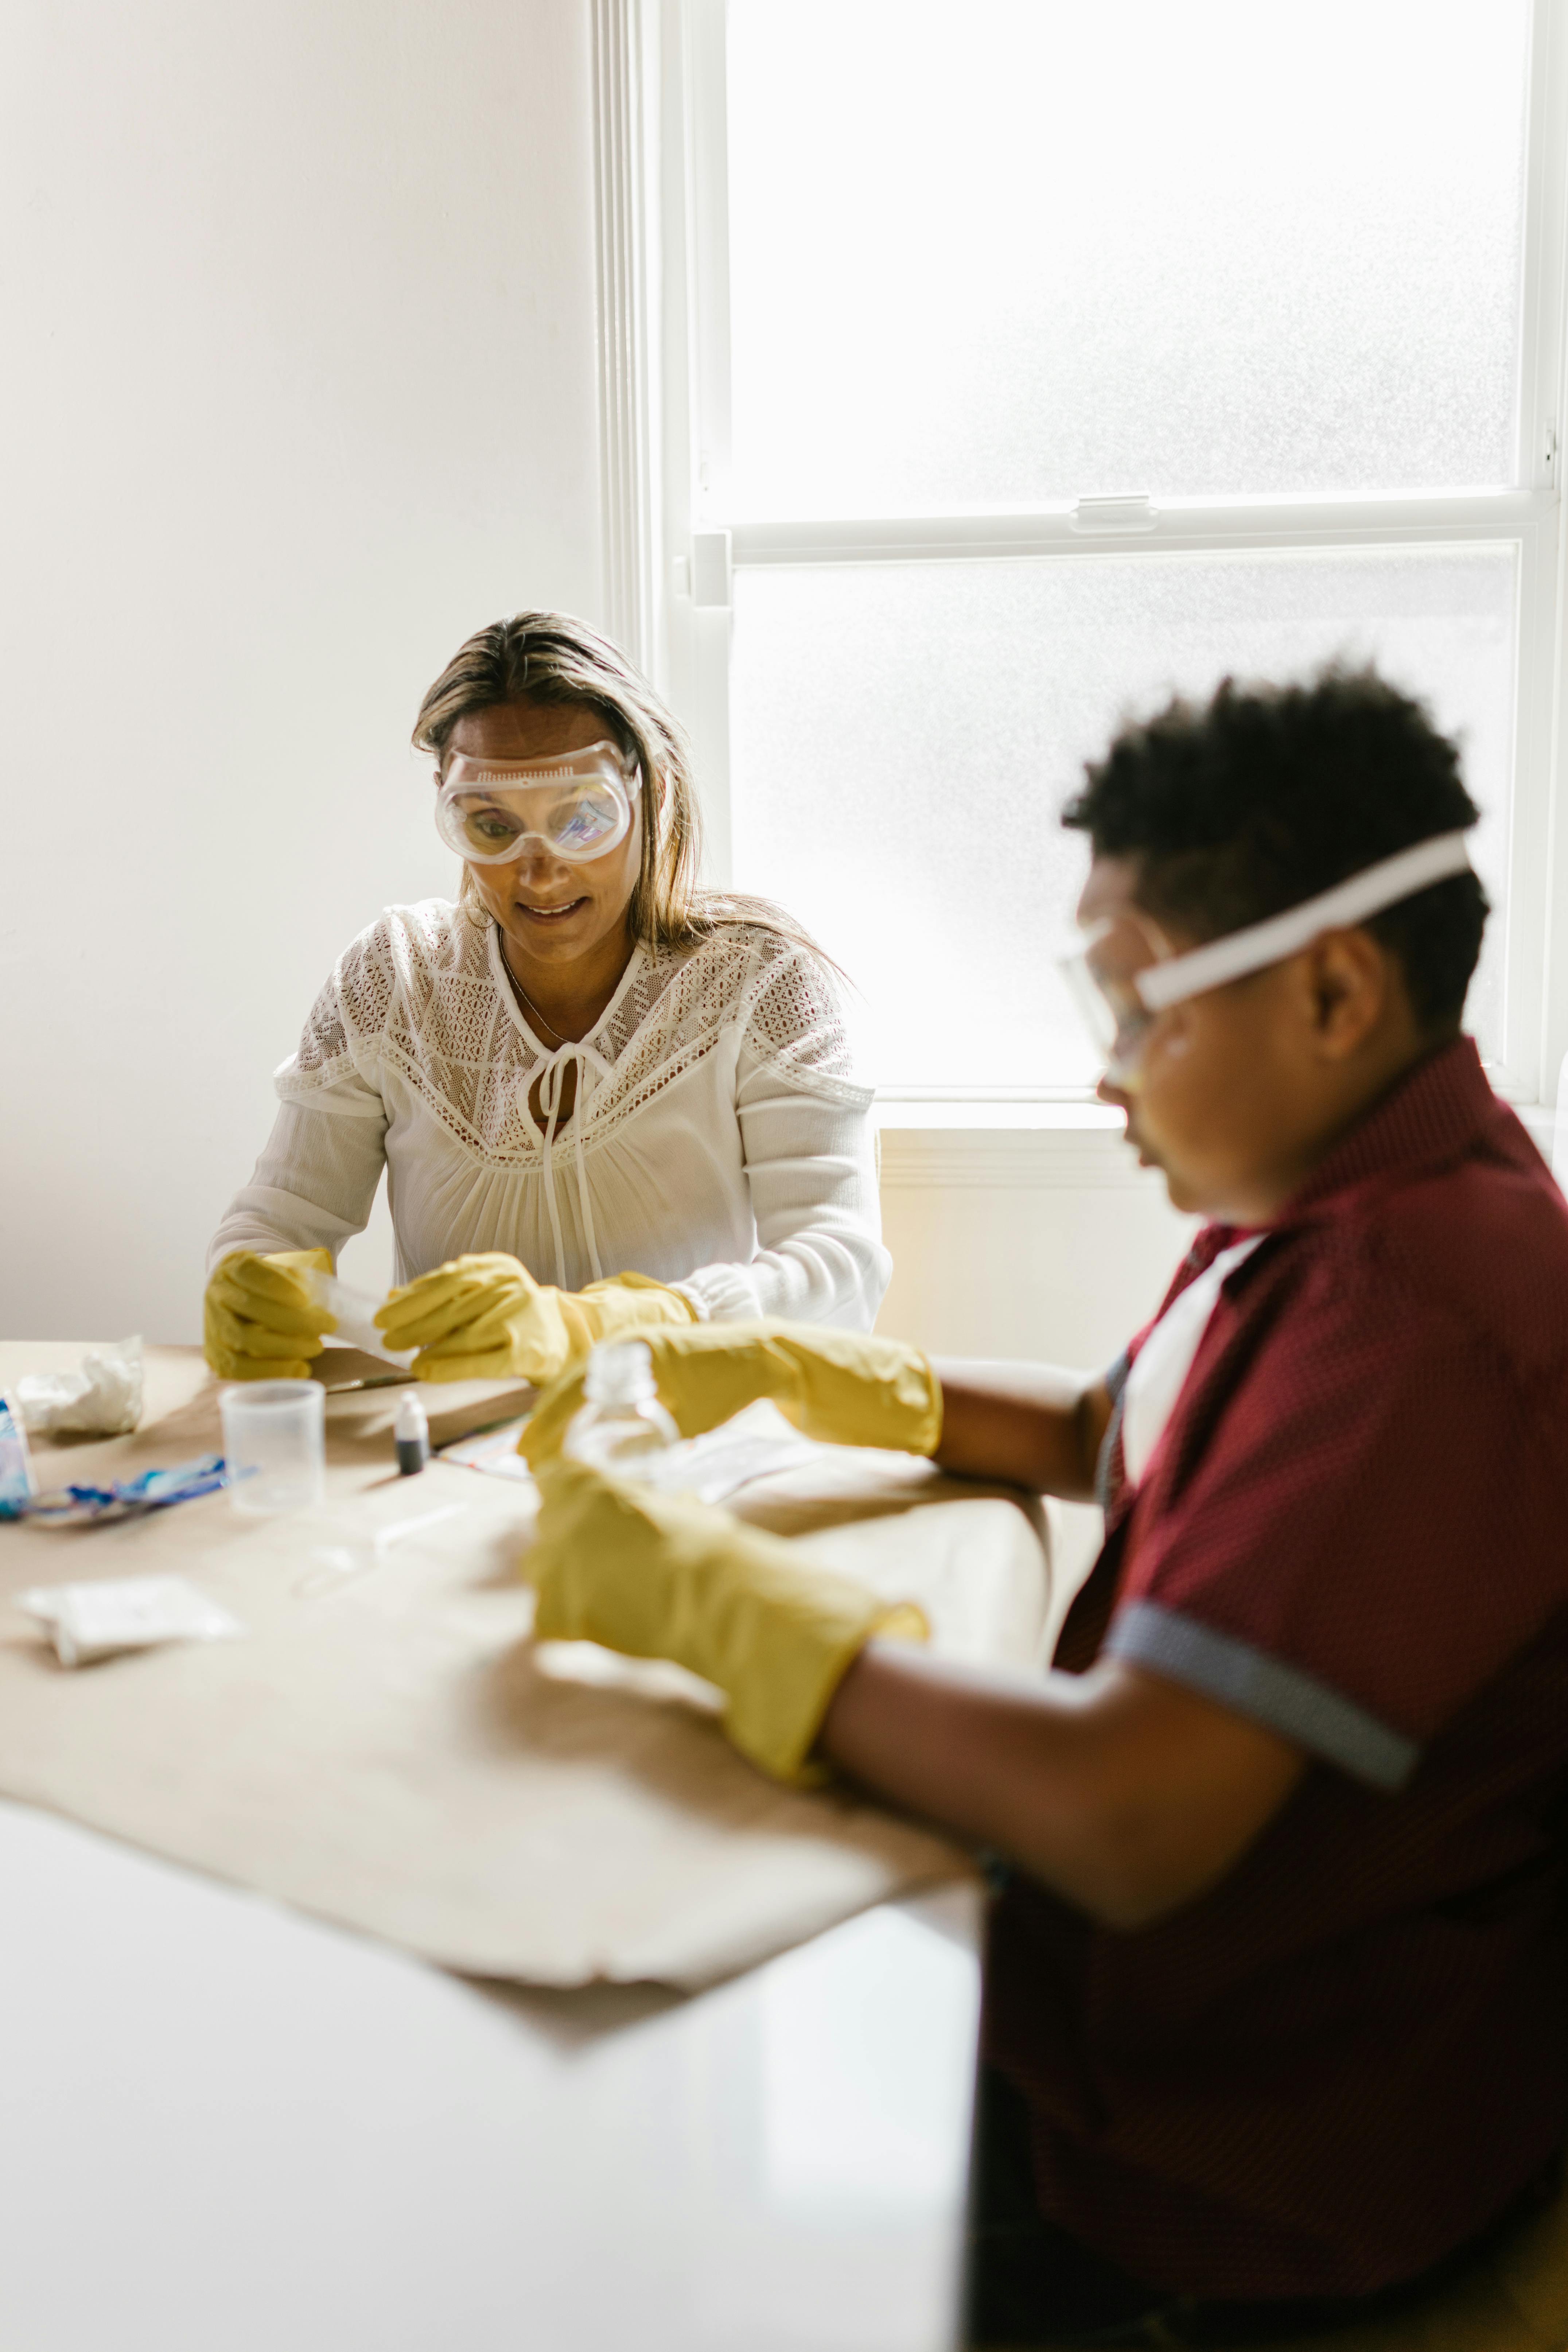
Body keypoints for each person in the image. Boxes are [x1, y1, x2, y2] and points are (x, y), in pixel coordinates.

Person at [518, 668, 1568, 2347]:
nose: (1108, 1077)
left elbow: (1133, 1814)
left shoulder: (1418, 1304)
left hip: (1241, 2163)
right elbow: (1126, 1423)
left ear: (1332, 990)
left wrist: (710, 1598)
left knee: (622, 2186)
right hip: (1183, 2035)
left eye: (1137, 1011)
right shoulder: (1338, 1191)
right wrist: (802, 1368)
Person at [204, 612, 888, 1385]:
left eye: (582, 818)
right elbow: (278, 1219)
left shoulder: (759, 982)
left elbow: (844, 1272)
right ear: (449, 804)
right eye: (492, 825)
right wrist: (247, 1275)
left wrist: (626, 1325)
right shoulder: (393, 979)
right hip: (444, 1465)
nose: (541, 872)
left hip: (675, 1443)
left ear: (650, 789)